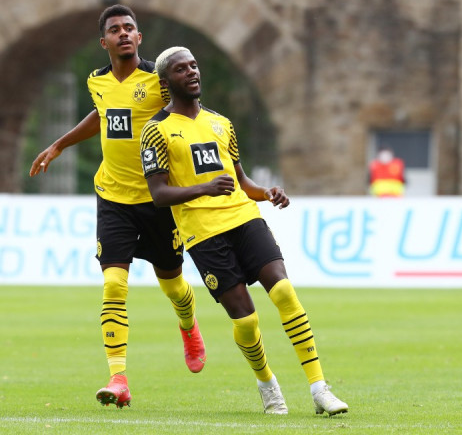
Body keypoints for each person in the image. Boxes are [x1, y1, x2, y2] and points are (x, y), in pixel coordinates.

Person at [140, 47, 349, 416]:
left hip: (244, 217)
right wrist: (204, 188)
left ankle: (320, 388)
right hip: (203, 233)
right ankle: (267, 383)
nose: (192, 72)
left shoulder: (221, 123)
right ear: (165, 81)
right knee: (247, 320)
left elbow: (241, 181)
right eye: (181, 69)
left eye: (194, 65)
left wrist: (266, 193)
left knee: (283, 290)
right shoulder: (156, 131)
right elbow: (158, 195)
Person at [29, 6, 206, 409]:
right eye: (115, 29)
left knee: (173, 285)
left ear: (139, 38)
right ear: (104, 42)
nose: (123, 33)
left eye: (129, 28)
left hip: (158, 199)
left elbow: (189, 116)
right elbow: (103, 114)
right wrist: (59, 144)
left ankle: (188, 325)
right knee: (113, 284)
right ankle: (118, 377)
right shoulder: (97, 81)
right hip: (113, 197)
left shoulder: (160, 80)